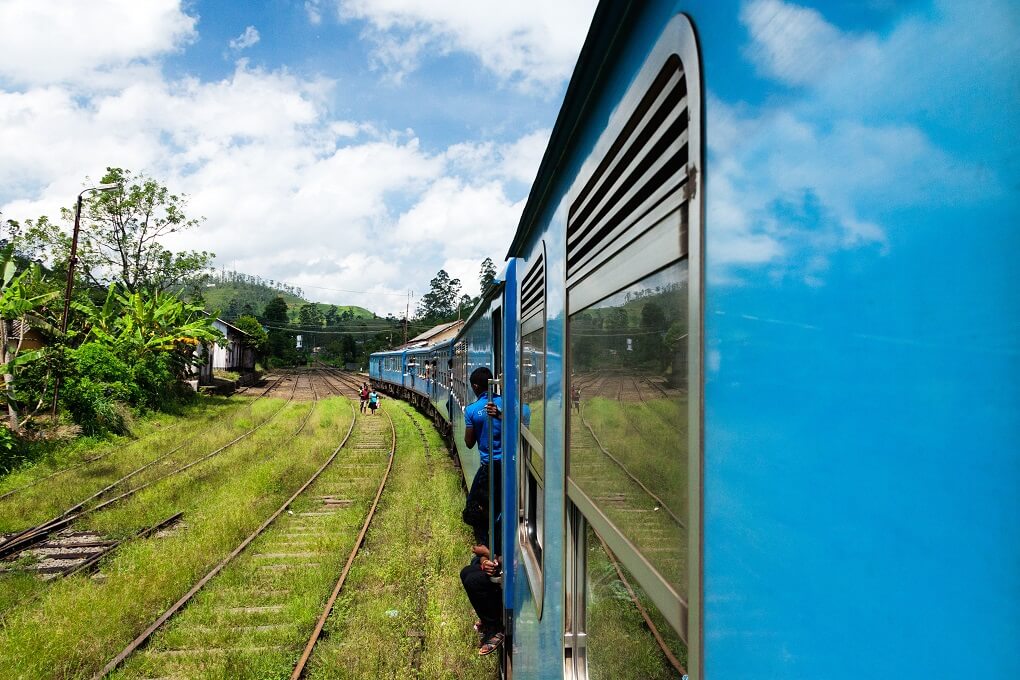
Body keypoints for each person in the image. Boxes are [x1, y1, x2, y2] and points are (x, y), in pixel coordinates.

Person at [462, 366, 503, 550]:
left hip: (489, 467)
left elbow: (469, 443)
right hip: (509, 465)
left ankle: (484, 546)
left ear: (476, 386)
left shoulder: (472, 410)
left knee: (473, 508)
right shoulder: (508, 404)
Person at [460, 547, 504, 655]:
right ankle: (487, 621)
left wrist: (488, 553)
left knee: (473, 581)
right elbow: (483, 551)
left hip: (510, 572)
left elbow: (512, 561)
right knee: (466, 572)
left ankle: (496, 627)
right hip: (500, 568)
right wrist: (485, 562)